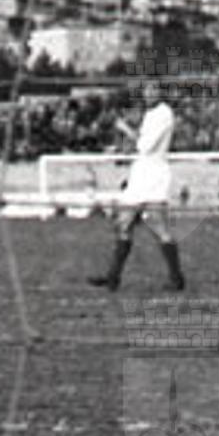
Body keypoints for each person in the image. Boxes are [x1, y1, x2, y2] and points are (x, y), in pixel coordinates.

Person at [90, 80, 186, 292]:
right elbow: (139, 145)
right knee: (123, 223)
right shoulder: (150, 114)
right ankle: (113, 277)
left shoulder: (164, 114)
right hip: (140, 174)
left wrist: (124, 128)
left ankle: (176, 278)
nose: (149, 93)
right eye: (146, 89)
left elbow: (145, 146)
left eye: (153, 89)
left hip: (154, 176)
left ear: (160, 92)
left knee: (159, 228)